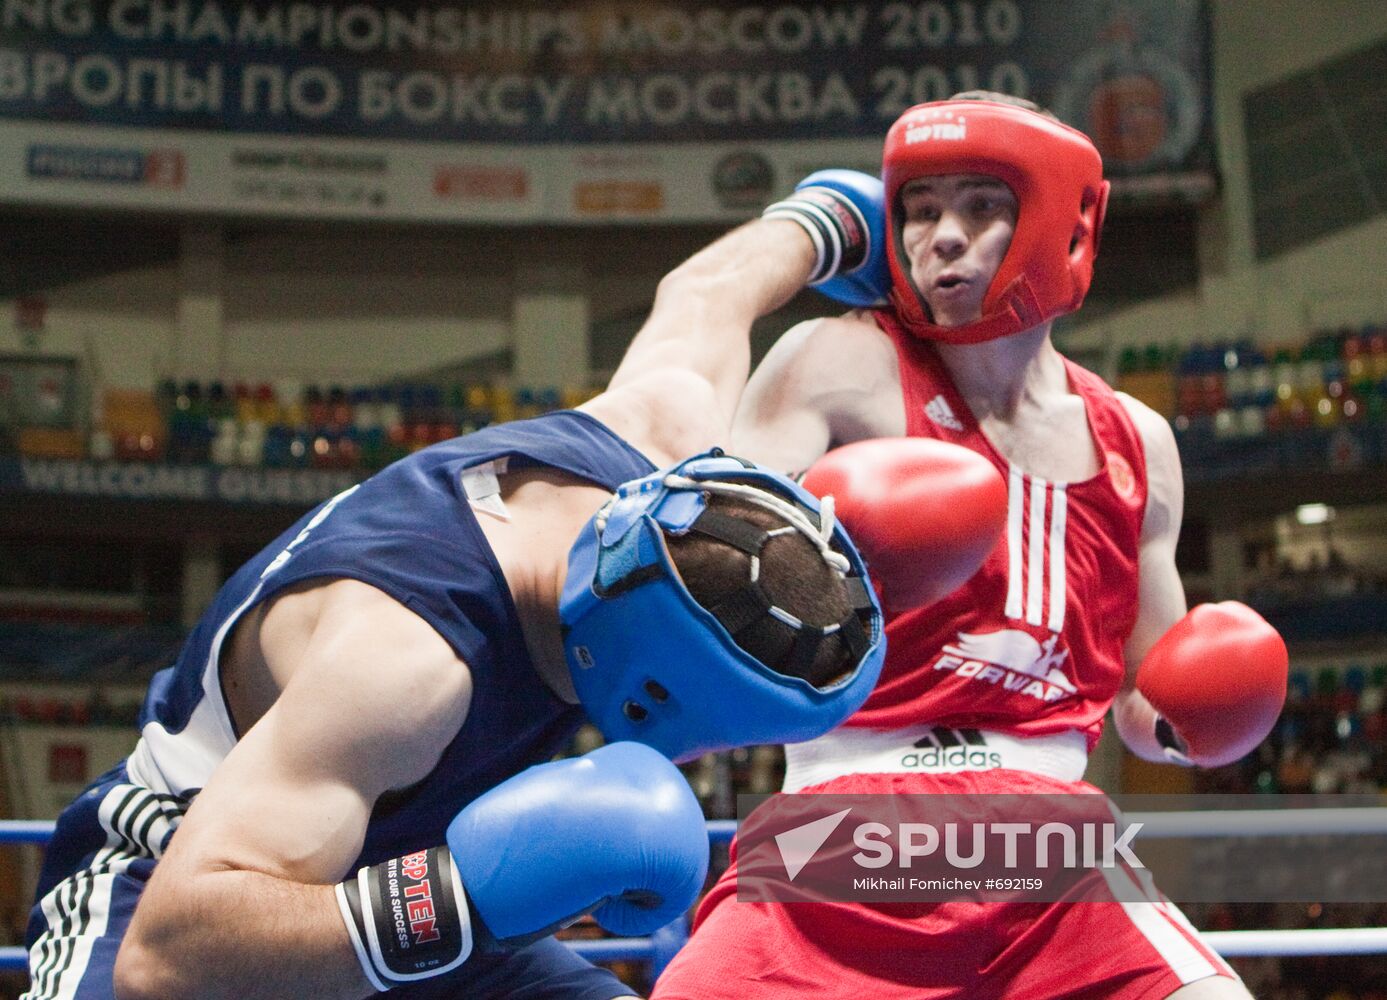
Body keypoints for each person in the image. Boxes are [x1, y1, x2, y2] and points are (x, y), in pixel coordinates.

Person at [21, 207, 1008, 1000]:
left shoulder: (654, 443)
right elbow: (169, 958)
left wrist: (834, 217)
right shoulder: (404, 665)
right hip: (185, 891)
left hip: (403, 864)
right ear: (646, 695)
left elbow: (710, 292)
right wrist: (463, 899)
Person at [652, 94, 1289, 999]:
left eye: (980, 207)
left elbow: (1145, 708)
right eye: (919, 210)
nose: (941, 237)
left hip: (1049, 852)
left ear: (1062, 225)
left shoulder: (1137, 442)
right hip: (838, 826)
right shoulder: (837, 365)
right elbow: (693, 569)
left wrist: (1203, 718)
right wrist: (805, 562)